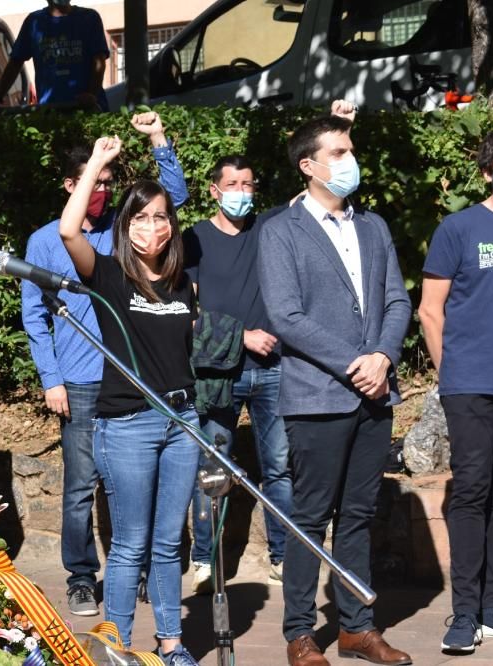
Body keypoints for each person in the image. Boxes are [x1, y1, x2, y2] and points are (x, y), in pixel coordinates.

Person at [258, 115, 412, 666]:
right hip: (318, 395)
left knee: (359, 514)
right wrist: (356, 362)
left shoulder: (372, 226)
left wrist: (384, 356)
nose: (351, 160)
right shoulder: (280, 230)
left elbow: (398, 300)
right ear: (309, 165)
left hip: (374, 394)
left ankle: (356, 628)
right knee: (310, 516)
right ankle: (301, 632)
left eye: (350, 151)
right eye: (340, 152)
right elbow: (286, 316)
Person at [21, 110, 188, 617]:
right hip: (81, 380)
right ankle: (79, 576)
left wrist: (158, 140)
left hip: (136, 382)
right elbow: (34, 316)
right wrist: (51, 379)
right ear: (74, 184)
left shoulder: (125, 231)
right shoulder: (47, 240)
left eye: (111, 182)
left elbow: (173, 201)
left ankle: (139, 573)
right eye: (97, 182)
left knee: (141, 485)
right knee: (80, 485)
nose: (105, 190)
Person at [60, 135, 200, 665]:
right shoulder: (110, 276)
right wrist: (96, 162)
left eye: (160, 217)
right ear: (124, 227)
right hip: (128, 426)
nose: (152, 227)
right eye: (139, 219)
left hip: (181, 422)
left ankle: (171, 642)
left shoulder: (183, 285)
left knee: (168, 545)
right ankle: (114, 648)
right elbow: (69, 231)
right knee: (129, 545)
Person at [183, 155, 290, 593]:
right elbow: (187, 312)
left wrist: (340, 128)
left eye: (248, 184)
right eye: (233, 184)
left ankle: (283, 557)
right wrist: (240, 336)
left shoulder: (267, 228)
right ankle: (204, 559)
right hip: (218, 372)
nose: (241, 192)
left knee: (280, 468)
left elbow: (316, 191)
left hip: (272, 371)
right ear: (214, 189)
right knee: (211, 467)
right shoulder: (195, 239)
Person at [419, 131, 493, 655]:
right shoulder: (460, 228)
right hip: (471, 384)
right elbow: (430, 309)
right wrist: (454, 373)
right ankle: (466, 612)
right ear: (489, 171)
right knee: (471, 492)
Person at [0, 0, 109, 109]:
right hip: (51, 111)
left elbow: (99, 61)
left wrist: (91, 94)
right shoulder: (34, 22)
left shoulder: (89, 18)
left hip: (89, 109)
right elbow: (15, 63)